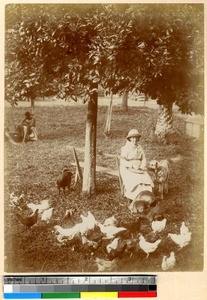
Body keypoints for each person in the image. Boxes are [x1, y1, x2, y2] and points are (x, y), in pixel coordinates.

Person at [119, 129, 154, 201]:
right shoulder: (125, 148)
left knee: (146, 178)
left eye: (136, 138)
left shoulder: (140, 148)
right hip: (128, 168)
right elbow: (122, 161)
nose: (135, 139)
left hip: (139, 168)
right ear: (130, 139)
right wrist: (132, 165)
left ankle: (145, 197)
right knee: (136, 179)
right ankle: (135, 197)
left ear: (138, 138)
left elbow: (143, 158)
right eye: (133, 138)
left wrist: (142, 166)